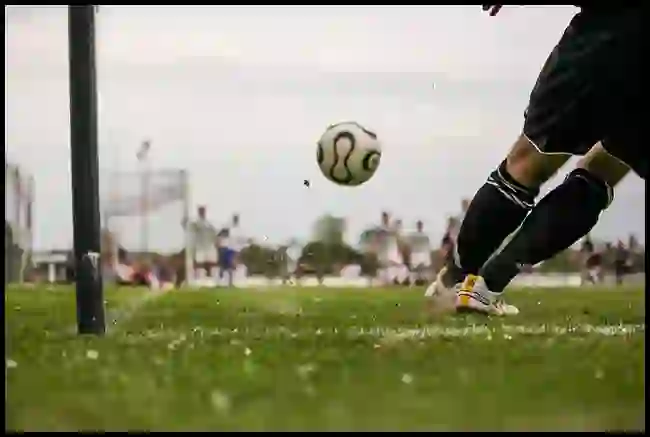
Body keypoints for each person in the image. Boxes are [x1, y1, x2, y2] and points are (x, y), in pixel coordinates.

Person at [428, 4, 647, 316]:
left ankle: (457, 280)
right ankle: (485, 287)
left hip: (612, 31)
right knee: (605, 170)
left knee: (528, 162)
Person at [408, 221, 432, 286]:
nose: (419, 226)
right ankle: (413, 283)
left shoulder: (425, 235)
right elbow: (410, 244)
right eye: (419, 225)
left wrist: (427, 255)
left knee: (423, 269)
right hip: (415, 253)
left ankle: (423, 282)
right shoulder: (413, 235)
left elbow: (427, 246)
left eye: (420, 225)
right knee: (415, 269)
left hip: (423, 253)